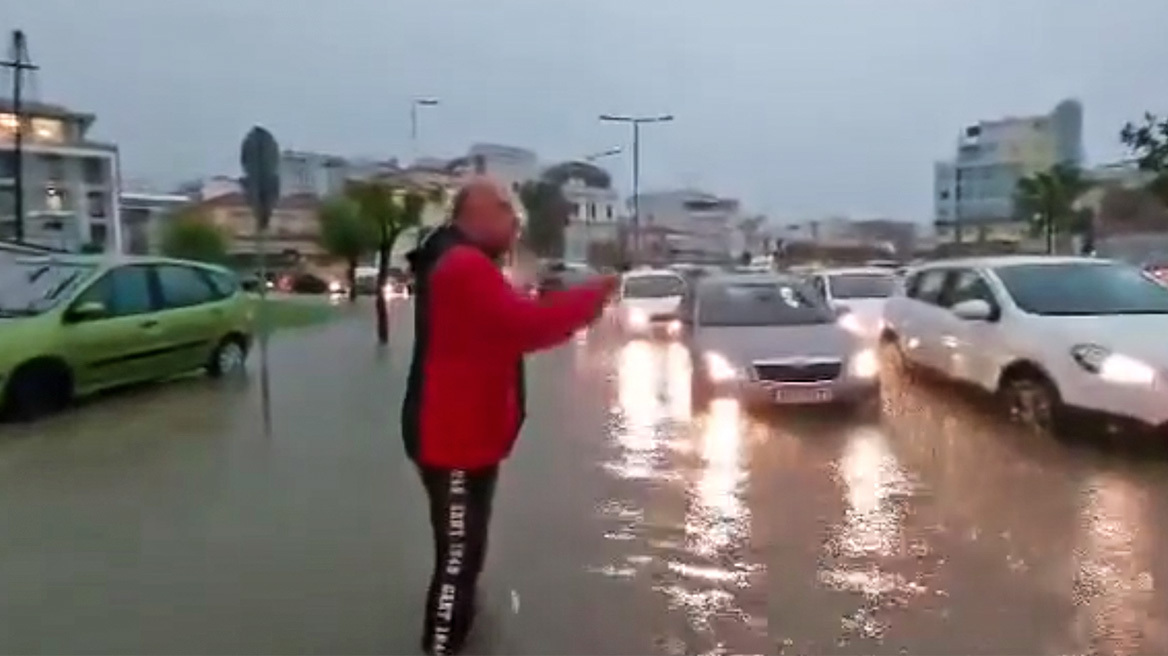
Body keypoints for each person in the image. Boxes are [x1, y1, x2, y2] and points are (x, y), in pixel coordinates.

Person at [401, 176, 616, 655]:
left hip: (468, 436)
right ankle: (441, 644)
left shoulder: (466, 262)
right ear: (475, 214)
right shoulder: (462, 266)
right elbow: (524, 326)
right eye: (505, 211)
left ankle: (465, 632)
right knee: (457, 561)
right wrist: (594, 296)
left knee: (467, 551)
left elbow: (511, 314)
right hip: (450, 438)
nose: (515, 222)